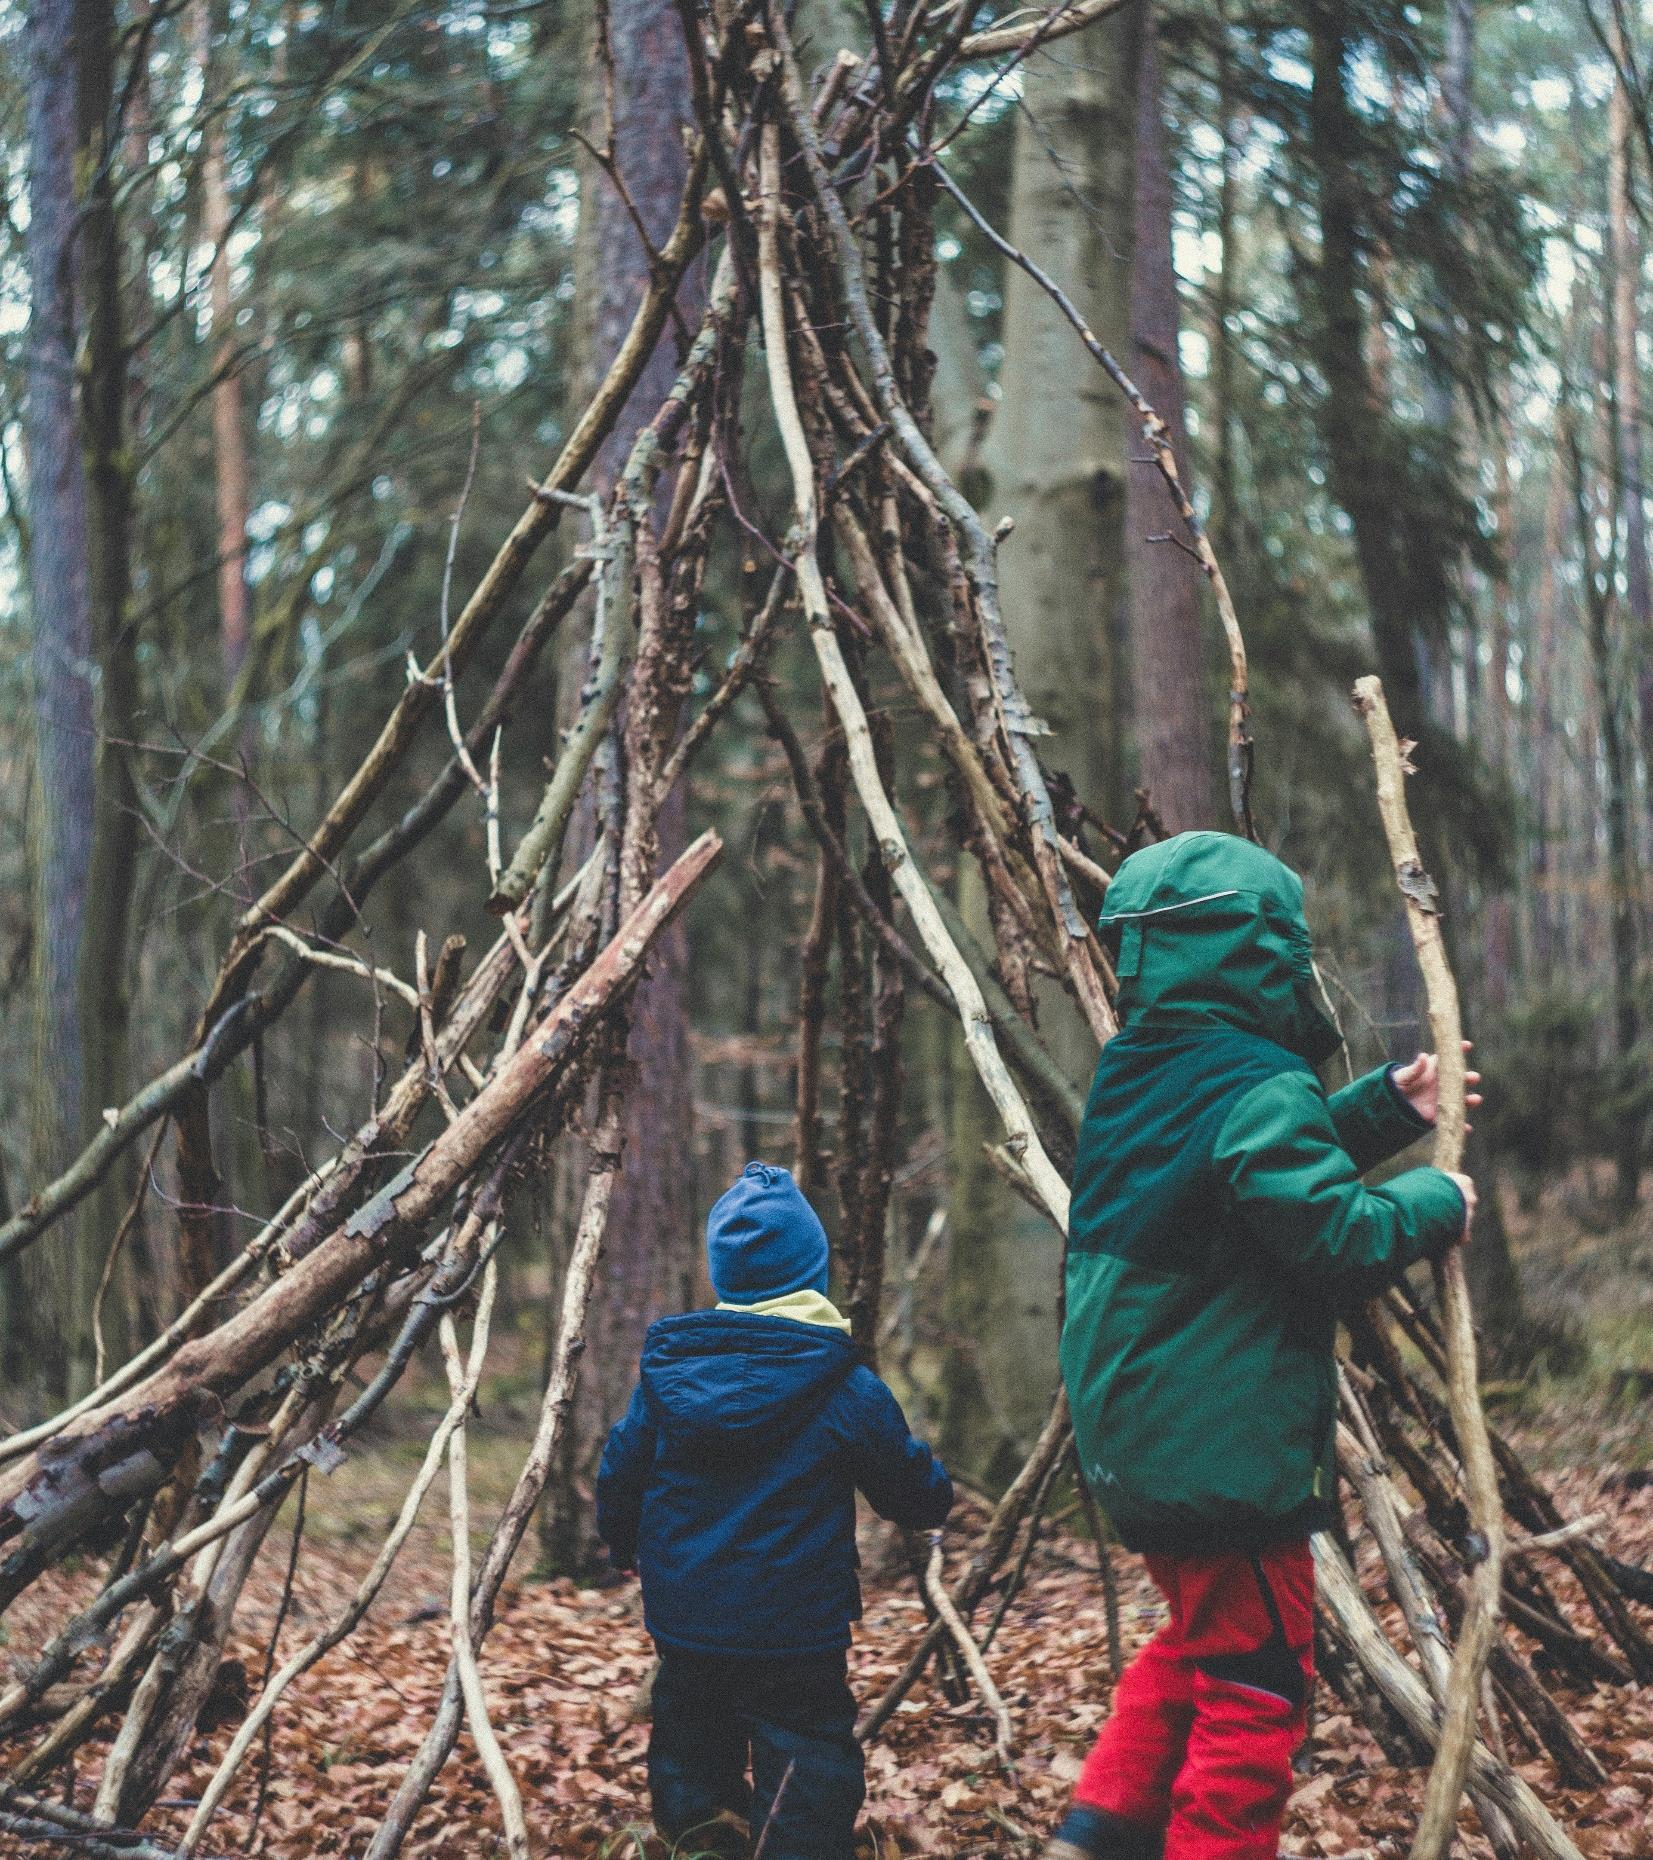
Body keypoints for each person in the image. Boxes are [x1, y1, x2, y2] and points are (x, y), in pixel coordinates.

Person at [1044, 831, 1479, 1860]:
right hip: (1218, 1450)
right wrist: (1432, 1203)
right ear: (1260, 951)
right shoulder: (1254, 1079)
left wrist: (1383, 1110)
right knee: (1258, 1682)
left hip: (1141, 1436)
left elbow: (1244, 1179)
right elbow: (1331, 1234)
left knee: (1202, 1648)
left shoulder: (1142, 1072)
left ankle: (1095, 1836)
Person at [597, 1160, 954, 1860]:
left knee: (691, 1744)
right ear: (810, 1274)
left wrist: (621, 1544)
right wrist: (933, 1495)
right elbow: (904, 1484)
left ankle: (701, 1845)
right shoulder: (841, 1383)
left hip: (689, 1617)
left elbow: (621, 1467)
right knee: (806, 1757)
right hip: (796, 1627)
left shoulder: (670, 1376)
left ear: (724, 1276)